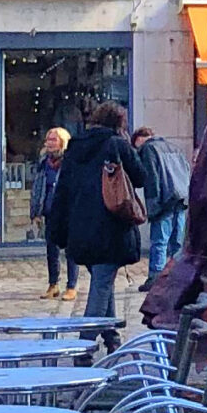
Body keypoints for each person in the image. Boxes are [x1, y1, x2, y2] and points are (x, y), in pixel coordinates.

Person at [50, 100, 141, 320]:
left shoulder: (74, 147)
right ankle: (84, 346)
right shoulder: (117, 144)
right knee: (101, 287)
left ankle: (112, 338)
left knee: (102, 282)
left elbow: (63, 190)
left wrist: (58, 230)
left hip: (80, 227)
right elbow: (140, 176)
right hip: (110, 227)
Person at [132, 126, 190, 277]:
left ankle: (155, 277)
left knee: (160, 241)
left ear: (139, 140)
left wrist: (153, 208)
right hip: (181, 197)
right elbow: (186, 170)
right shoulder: (173, 147)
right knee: (177, 242)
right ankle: (176, 276)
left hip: (164, 199)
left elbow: (152, 179)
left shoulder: (148, 149)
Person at [31, 127, 76, 300]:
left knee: (71, 250)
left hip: (68, 211)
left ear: (62, 142)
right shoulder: (44, 161)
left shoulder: (70, 161)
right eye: (48, 139)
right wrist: (35, 211)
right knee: (51, 250)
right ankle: (53, 284)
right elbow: (38, 187)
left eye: (53, 139)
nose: (49, 143)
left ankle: (71, 286)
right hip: (50, 211)